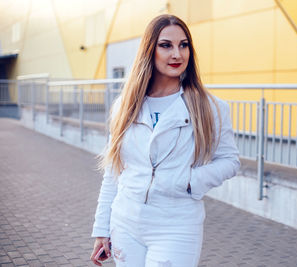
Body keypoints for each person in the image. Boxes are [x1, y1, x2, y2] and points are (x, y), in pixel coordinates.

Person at [90, 14, 240, 267]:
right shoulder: (125, 106)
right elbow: (113, 171)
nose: (177, 55)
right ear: (150, 49)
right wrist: (101, 229)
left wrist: (190, 181)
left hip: (177, 226)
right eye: (166, 45)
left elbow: (229, 161)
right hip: (125, 222)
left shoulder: (210, 107)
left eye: (184, 45)